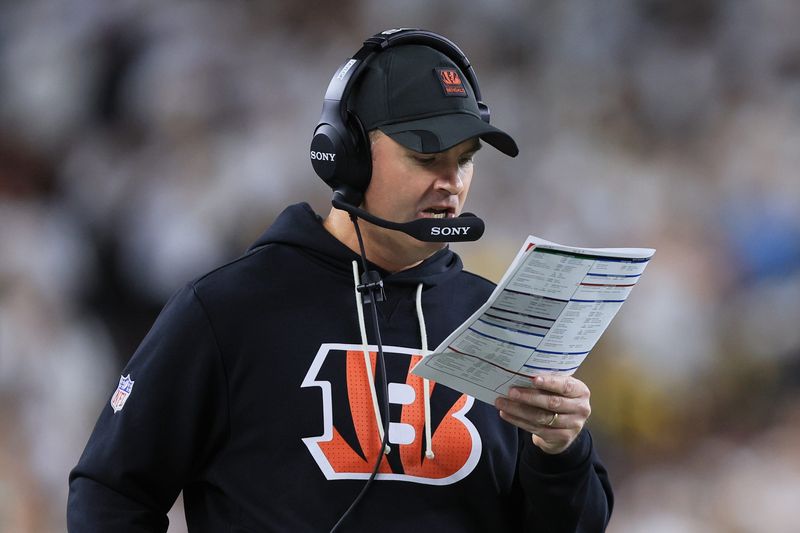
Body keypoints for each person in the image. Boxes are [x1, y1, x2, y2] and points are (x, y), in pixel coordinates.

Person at [68, 29, 613, 532]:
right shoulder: (228, 310)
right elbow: (109, 494)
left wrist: (560, 451)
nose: (451, 183)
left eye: (464, 159)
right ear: (345, 155)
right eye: (426, 155)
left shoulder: (503, 322)